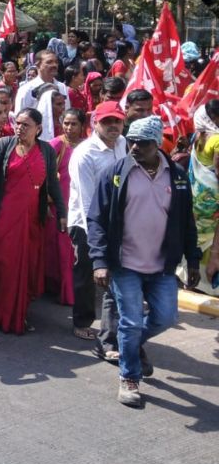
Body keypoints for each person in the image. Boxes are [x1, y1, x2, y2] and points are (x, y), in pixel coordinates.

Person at [88, 116, 201, 407]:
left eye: (144, 142)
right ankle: (129, 378)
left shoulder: (176, 175)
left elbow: (186, 222)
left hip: (162, 265)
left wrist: (193, 260)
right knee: (130, 321)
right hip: (125, 264)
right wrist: (100, 261)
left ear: (158, 144)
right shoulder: (115, 173)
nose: (136, 146)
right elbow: (97, 220)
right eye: (132, 141)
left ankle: (132, 345)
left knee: (165, 317)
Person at [0, 108, 67, 335]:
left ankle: (17, 311)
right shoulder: (3, 145)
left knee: (26, 265)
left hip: (32, 218)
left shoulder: (46, 150)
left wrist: (62, 212)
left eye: (26, 125)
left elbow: (53, 186)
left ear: (38, 129)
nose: (20, 128)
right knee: (2, 264)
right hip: (3, 217)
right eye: (17, 123)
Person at [66, 101, 128, 346]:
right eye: (107, 121)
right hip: (86, 223)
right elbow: (86, 199)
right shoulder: (85, 154)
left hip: (117, 219)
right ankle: (81, 322)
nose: (113, 126)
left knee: (114, 272)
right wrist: (99, 233)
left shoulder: (123, 143)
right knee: (87, 272)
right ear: (96, 124)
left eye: (117, 121)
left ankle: (115, 323)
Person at [45, 108, 86, 306]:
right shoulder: (56, 144)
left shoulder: (86, 146)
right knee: (62, 252)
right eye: (66, 123)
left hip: (80, 205)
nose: (69, 128)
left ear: (82, 126)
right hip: (59, 207)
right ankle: (65, 293)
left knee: (73, 252)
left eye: (74, 124)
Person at [187, 102, 219, 296]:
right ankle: (210, 282)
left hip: (198, 195)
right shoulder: (216, 140)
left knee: (198, 234)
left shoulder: (197, 135)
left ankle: (191, 277)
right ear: (214, 118)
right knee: (214, 234)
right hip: (213, 197)